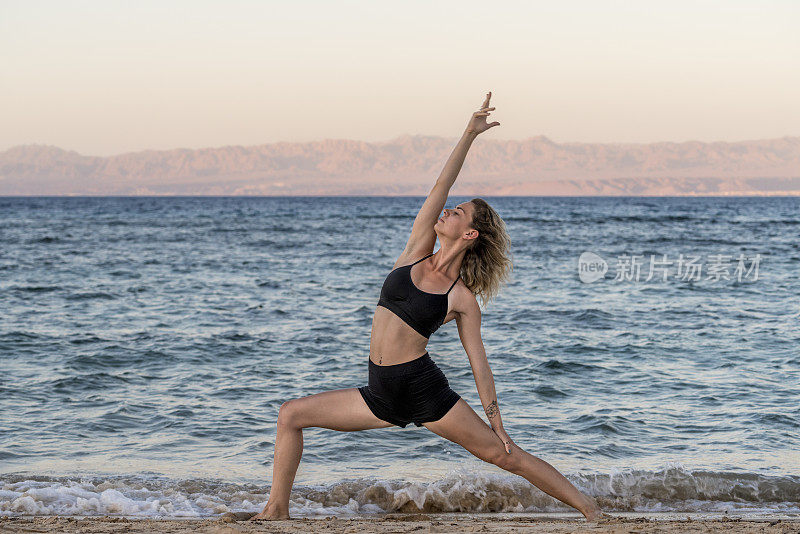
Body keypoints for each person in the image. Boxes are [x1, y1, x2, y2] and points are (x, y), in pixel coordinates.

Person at [250, 92, 606, 522]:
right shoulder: (416, 250)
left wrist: (497, 421)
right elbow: (441, 185)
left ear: (470, 234)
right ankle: (276, 510)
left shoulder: (460, 298)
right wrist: (469, 134)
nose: (447, 212)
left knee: (504, 455)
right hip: (380, 391)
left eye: (457, 213)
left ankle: (591, 511)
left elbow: (479, 363)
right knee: (291, 415)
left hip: (423, 390)